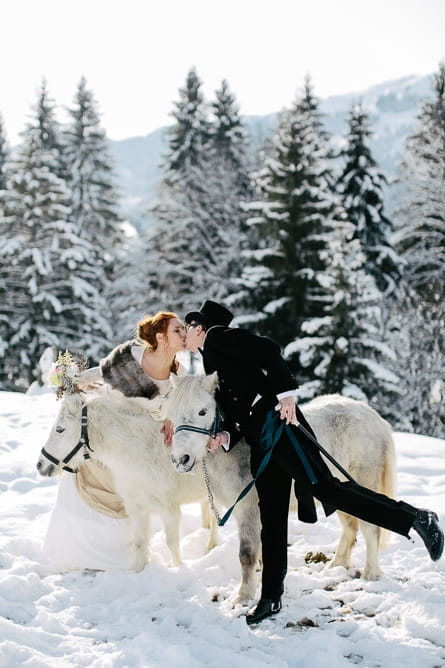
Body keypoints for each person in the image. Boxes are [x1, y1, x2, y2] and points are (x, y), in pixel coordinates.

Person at [184, 299, 444, 625]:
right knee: (273, 518)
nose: (184, 335)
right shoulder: (212, 361)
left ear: (200, 328)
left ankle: (417, 518)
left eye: (188, 328)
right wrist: (224, 438)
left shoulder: (220, 337)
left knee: (329, 490)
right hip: (262, 444)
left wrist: (286, 393)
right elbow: (239, 411)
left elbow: (268, 349)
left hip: (281, 430)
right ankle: (271, 597)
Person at [43, 311, 187, 572]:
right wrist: (68, 382)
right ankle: (80, 558)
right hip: (103, 434)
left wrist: (172, 419)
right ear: (160, 336)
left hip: (138, 450)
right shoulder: (130, 355)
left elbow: (181, 410)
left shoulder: (180, 375)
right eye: (178, 329)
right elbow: (99, 374)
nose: (184, 333)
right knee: (88, 487)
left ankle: (124, 559)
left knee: (131, 499)